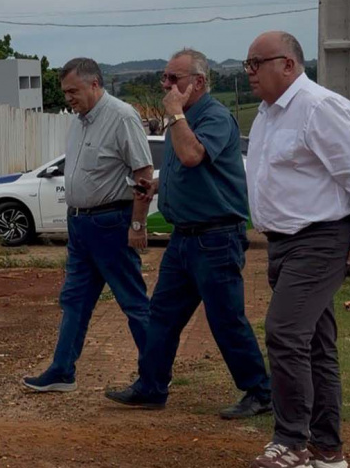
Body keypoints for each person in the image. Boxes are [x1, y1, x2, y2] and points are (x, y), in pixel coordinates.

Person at [105, 48, 271, 418]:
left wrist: (176, 115)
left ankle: (260, 392)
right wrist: (157, 186)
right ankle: (151, 387)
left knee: (225, 318)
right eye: (164, 77)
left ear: (198, 82)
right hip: (184, 238)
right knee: (162, 315)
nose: (166, 85)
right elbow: (183, 169)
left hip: (217, 237)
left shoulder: (214, 117)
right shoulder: (182, 119)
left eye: (173, 78)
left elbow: (193, 156)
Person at [244, 31, 350, 468]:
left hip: (320, 238)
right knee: (315, 345)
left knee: (285, 333)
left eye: (257, 63)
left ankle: (292, 441)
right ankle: (328, 451)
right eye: (248, 64)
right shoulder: (266, 114)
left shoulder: (319, 107)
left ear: (288, 64)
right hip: (283, 243)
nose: (250, 72)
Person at [22, 57, 153, 392]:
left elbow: (143, 174)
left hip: (111, 224)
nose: (68, 98)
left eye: (73, 91)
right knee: (74, 300)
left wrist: (137, 225)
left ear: (94, 84)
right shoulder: (79, 122)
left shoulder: (122, 117)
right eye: (65, 92)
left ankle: (154, 377)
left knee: (133, 302)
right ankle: (62, 371)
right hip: (80, 225)